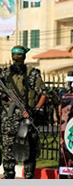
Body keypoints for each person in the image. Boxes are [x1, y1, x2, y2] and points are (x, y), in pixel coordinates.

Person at [0, 45, 47, 179]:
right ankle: (14, 176)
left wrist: (35, 110)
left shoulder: (32, 73)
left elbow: (43, 94)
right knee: (12, 150)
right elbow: (44, 94)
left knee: (26, 150)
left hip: (26, 118)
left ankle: (23, 176)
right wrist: (5, 96)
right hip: (10, 118)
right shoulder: (5, 73)